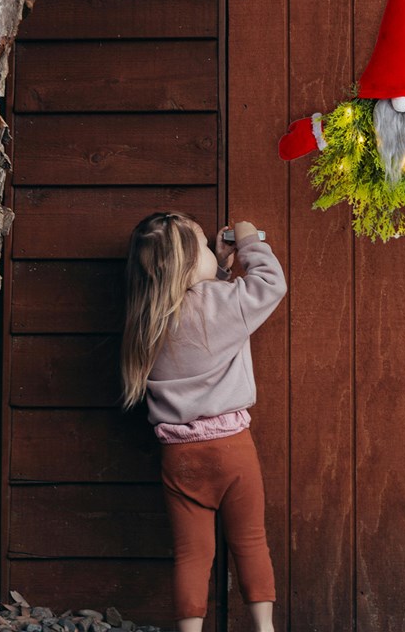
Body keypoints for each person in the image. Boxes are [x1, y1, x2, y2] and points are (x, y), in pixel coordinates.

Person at [121, 211, 287, 632]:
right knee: (250, 541)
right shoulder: (222, 305)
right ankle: (264, 629)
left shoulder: (148, 316)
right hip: (231, 450)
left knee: (192, 555)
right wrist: (248, 243)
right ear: (192, 261)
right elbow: (270, 285)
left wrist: (223, 268)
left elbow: (203, 310)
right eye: (203, 245)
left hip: (179, 457)